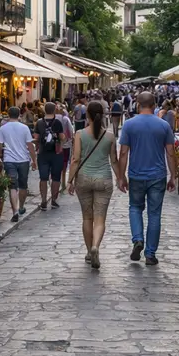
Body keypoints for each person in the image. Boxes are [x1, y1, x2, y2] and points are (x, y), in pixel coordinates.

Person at [117, 91, 178, 266]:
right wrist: (173, 176)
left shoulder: (129, 125)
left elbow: (123, 153)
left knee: (135, 208)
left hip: (136, 174)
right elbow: (170, 152)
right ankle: (150, 254)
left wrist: (121, 177)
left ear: (137, 104)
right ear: (154, 105)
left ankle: (138, 239)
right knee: (154, 214)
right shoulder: (164, 125)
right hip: (157, 175)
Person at [67, 101, 120, 269]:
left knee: (87, 217)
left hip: (83, 179)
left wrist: (69, 181)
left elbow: (75, 159)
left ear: (87, 115)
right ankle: (96, 245)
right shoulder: (110, 136)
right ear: (103, 115)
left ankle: (90, 251)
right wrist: (121, 178)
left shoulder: (80, 134)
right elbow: (114, 161)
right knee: (100, 219)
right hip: (103, 179)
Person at [0, 107, 38, 222]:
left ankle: (14, 211)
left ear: (8, 115)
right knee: (23, 185)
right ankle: (21, 207)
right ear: (19, 114)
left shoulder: (3, 128)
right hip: (23, 159)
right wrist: (34, 160)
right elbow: (30, 145)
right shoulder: (24, 128)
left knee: (12, 186)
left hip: (9, 160)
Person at [34, 102, 66, 210]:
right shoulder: (57, 122)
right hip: (56, 153)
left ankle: (43, 201)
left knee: (43, 177)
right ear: (54, 110)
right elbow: (62, 137)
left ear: (44, 110)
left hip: (43, 153)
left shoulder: (39, 123)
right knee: (56, 177)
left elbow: (36, 138)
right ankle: (53, 200)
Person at [59, 105, 75, 193]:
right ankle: (63, 182)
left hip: (58, 145)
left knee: (60, 163)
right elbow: (71, 130)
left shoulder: (56, 119)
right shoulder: (66, 119)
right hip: (66, 144)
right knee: (65, 162)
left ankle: (61, 182)